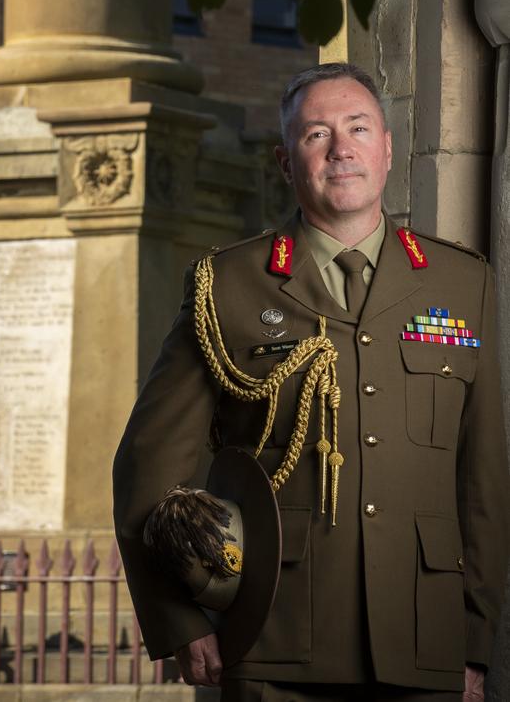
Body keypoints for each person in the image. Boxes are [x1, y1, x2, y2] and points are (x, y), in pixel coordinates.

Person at [113, 63, 509, 702]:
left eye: (357, 128)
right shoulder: (228, 285)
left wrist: (474, 638)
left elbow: (482, 480)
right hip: (273, 642)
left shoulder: (461, 283)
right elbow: (147, 470)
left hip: (425, 645)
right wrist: (180, 621)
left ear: (386, 148)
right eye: (316, 134)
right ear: (285, 161)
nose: (341, 149)